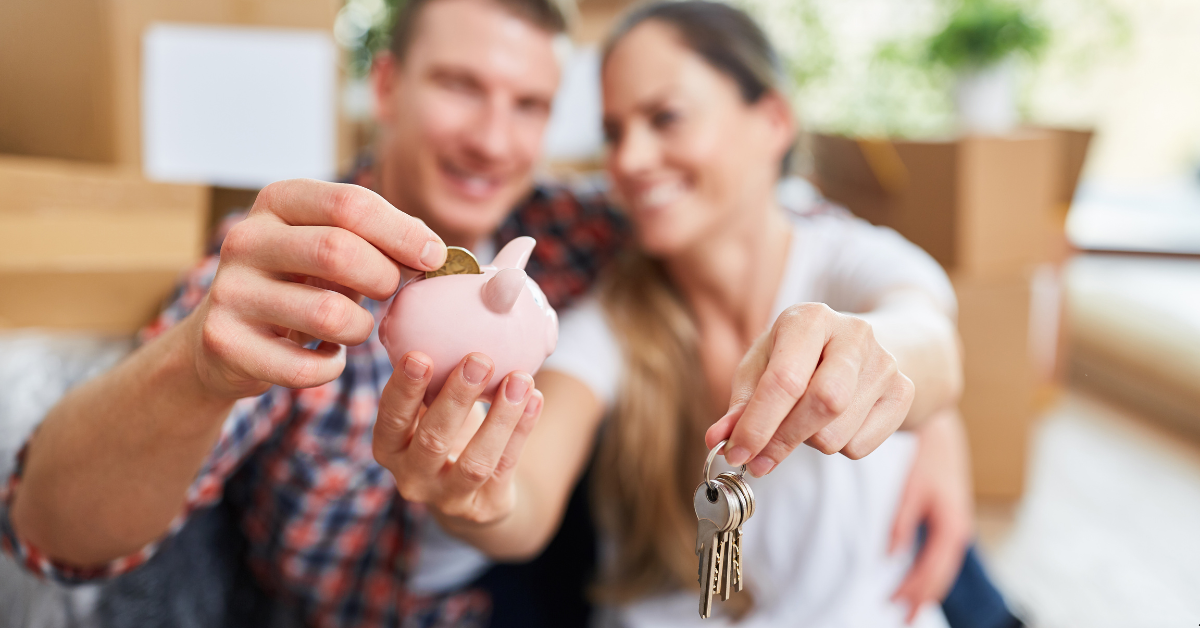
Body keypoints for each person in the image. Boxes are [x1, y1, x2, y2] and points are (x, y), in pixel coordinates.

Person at [0, 0, 1012, 625]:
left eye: (531, 105)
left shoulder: (575, 230)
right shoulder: (295, 265)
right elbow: (49, 532)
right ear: (386, 83)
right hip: (385, 603)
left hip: (557, 592)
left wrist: (923, 396)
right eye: (460, 87)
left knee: (941, 576)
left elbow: (805, 242)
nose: (495, 138)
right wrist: (197, 369)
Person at [378, 1, 972, 626]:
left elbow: (929, 337)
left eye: (666, 117)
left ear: (772, 121)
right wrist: (476, 494)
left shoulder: (848, 258)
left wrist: (876, 361)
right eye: (613, 132)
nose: (629, 160)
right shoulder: (611, 320)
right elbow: (525, 500)